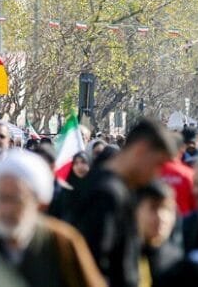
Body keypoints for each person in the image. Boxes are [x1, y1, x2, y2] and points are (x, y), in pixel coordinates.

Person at [69, 118, 178, 287]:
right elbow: (92, 265)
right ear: (140, 150)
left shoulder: (114, 186)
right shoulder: (106, 194)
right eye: (157, 164)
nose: (157, 174)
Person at [0, 150, 104, 287]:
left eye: (15, 200)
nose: (6, 209)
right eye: (0, 198)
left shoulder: (62, 243)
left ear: (40, 204)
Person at [137, 180, 183, 285]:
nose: (161, 217)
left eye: (167, 209)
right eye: (153, 208)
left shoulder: (176, 262)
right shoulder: (121, 255)